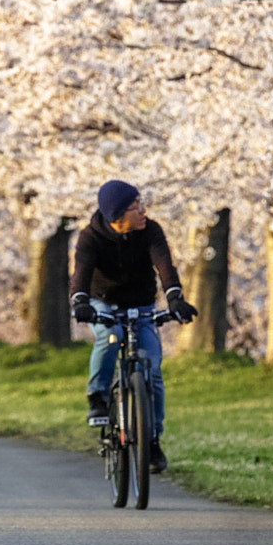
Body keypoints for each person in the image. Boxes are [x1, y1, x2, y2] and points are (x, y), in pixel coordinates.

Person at [69, 179, 197, 474]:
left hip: (140, 305)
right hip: (102, 302)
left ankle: (152, 438)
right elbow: (81, 274)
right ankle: (98, 397)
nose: (143, 210)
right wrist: (81, 303)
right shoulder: (91, 237)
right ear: (117, 216)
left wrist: (175, 297)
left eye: (141, 203)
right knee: (111, 336)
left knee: (151, 368)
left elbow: (165, 266)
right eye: (135, 206)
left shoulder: (150, 231)